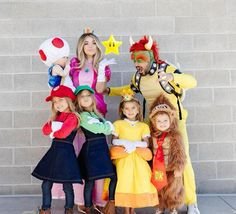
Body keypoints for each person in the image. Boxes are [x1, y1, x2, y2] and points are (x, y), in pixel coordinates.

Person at [107, 36, 200, 214]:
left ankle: (191, 202)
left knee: (182, 160)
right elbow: (128, 89)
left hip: (175, 124)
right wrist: (109, 90)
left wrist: (172, 76)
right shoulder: (139, 77)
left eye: (140, 59)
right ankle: (161, 201)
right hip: (153, 125)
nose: (136, 63)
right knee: (156, 162)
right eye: (134, 59)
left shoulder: (165, 69)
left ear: (150, 56)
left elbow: (192, 81)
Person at [52, 28, 115, 213]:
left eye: (93, 42)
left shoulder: (103, 64)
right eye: (86, 42)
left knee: (97, 155)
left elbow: (101, 90)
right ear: (81, 46)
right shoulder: (74, 64)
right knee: (78, 151)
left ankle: (100, 200)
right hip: (78, 112)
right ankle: (81, 198)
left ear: (98, 45)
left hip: (96, 111)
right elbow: (67, 86)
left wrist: (102, 70)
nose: (90, 46)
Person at [31, 85, 82, 214]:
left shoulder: (73, 116)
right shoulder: (56, 116)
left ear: (69, 100)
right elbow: (44, 130)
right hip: (54, 152)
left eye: (60, 100)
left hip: (66, 153)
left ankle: (68, 209)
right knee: (46, 184)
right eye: (55, 102)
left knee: (67, 185)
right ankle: (45, 209)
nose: (57, 104)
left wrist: (54, 130)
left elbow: (63, 134)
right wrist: (54, 126)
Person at [109, 89, 158, 214]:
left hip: (138, 157)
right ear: (122, 110)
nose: (130, 111)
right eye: (126, 108)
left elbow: (146, 143)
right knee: (125, 180)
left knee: (139, 179)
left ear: (138, 109)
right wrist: (126, 143)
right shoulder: (118, 124)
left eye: (133, 108)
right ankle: (126, 210)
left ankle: (133, 208)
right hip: (124, 157)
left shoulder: (143, 126)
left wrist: (134, 144)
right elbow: (113, 141)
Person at [74, 85, 116, 214]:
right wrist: (107, 125)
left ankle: (111, 203)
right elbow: (103, 128)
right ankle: (88, 208)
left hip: (101, 149)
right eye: (82, 96)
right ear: (78, 100)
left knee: (113, 176)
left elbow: (108, 127)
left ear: (92, 98)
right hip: (91, 150)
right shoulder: (82, 116)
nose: (85, 98)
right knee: (90, 180)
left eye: (88, 95)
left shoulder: (95, 114)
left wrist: (107, 125)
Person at [149, 94, 186, 214]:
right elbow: (149, 151)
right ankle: (160, 207)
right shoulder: (151, 136)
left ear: (171, 120)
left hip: (171, 169)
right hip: (158, 169)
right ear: (153, 122)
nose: (162, 123)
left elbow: (180, 153)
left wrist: (179, 168)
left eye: (165, 121)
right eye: (159, 121)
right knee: (159, 188)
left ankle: (173, 207)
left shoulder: (174, 136)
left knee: (173, 189)